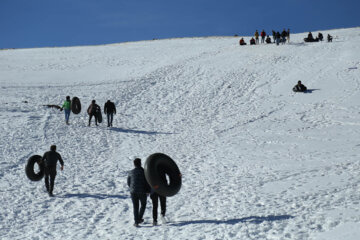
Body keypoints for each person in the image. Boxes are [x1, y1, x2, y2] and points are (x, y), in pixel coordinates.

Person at [127, 158, 151, 227]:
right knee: (143, 204)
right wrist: (148, 190)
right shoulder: (144, 172)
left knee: (135, 206)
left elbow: (128, 182)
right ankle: (139, 218)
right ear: (140, 163)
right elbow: (147, 182)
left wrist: (132, 188)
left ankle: (136, 222)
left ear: (134, 164)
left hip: (133, 192)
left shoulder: (131, 172)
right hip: (142, 191)